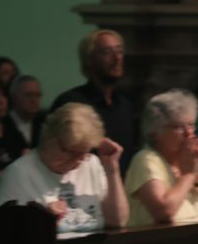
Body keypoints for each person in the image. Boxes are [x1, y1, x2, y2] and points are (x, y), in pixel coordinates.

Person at [0, 103, 128, 233]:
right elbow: (0, 235)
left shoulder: (91, 163)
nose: (77, 161)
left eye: (83, 154)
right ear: (49, 138)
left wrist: (112, 170)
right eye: (70, 152)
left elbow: (118, 221)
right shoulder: (18, 173)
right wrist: (41, 220)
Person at [124, 89, 198, 226]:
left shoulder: (192, 158)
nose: (189, 133)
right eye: (178, 127)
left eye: (191, 125)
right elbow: (164, 212)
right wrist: (188, 175)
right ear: (154, 133)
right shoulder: (146, 159)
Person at [52, 29, 136, 162]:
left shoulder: (126, 105)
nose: (117, 58)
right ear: (89, 59)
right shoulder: (71, 103)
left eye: (119, 51)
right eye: (107, 52)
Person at [6, 74, 44, 149]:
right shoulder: (2, 126)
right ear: (14, 97)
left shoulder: (43, 124)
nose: (34, 100)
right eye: (29, 95)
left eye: (37, 95)